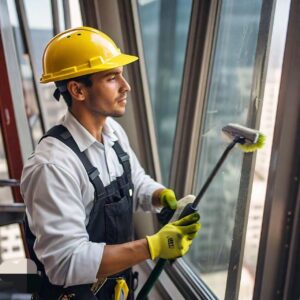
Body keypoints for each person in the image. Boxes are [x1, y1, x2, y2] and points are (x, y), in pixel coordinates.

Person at [20, 26, 200, 300]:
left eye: (121, 75)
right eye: (111, 77)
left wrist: (161, 196)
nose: (126, 86)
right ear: (78, 90)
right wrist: (152, 247)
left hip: (116, 288)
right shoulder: (52, 166)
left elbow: (134, 181)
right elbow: (65, 263)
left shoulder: (113, 133)